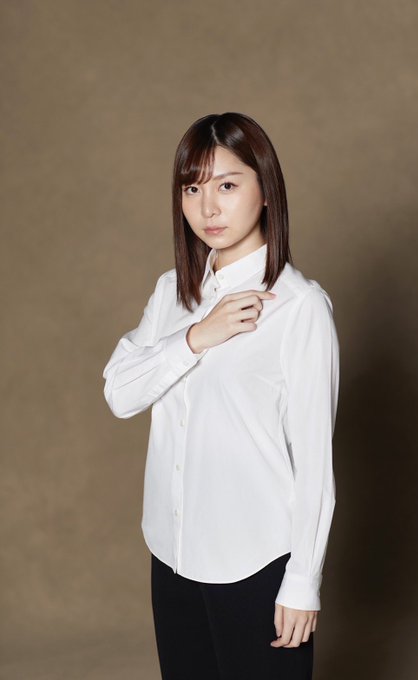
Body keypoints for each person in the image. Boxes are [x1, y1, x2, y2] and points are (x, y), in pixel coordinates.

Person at [102, 112, 340, 680]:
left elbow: (315, 462)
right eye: (192, 189)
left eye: (227, 185)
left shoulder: (299, 307)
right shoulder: (172, 293)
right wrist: (195, 337)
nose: (208, 207)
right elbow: (120, 393)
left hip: (256, 562)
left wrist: (303, 582)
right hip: (173, 553)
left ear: (266, 191)